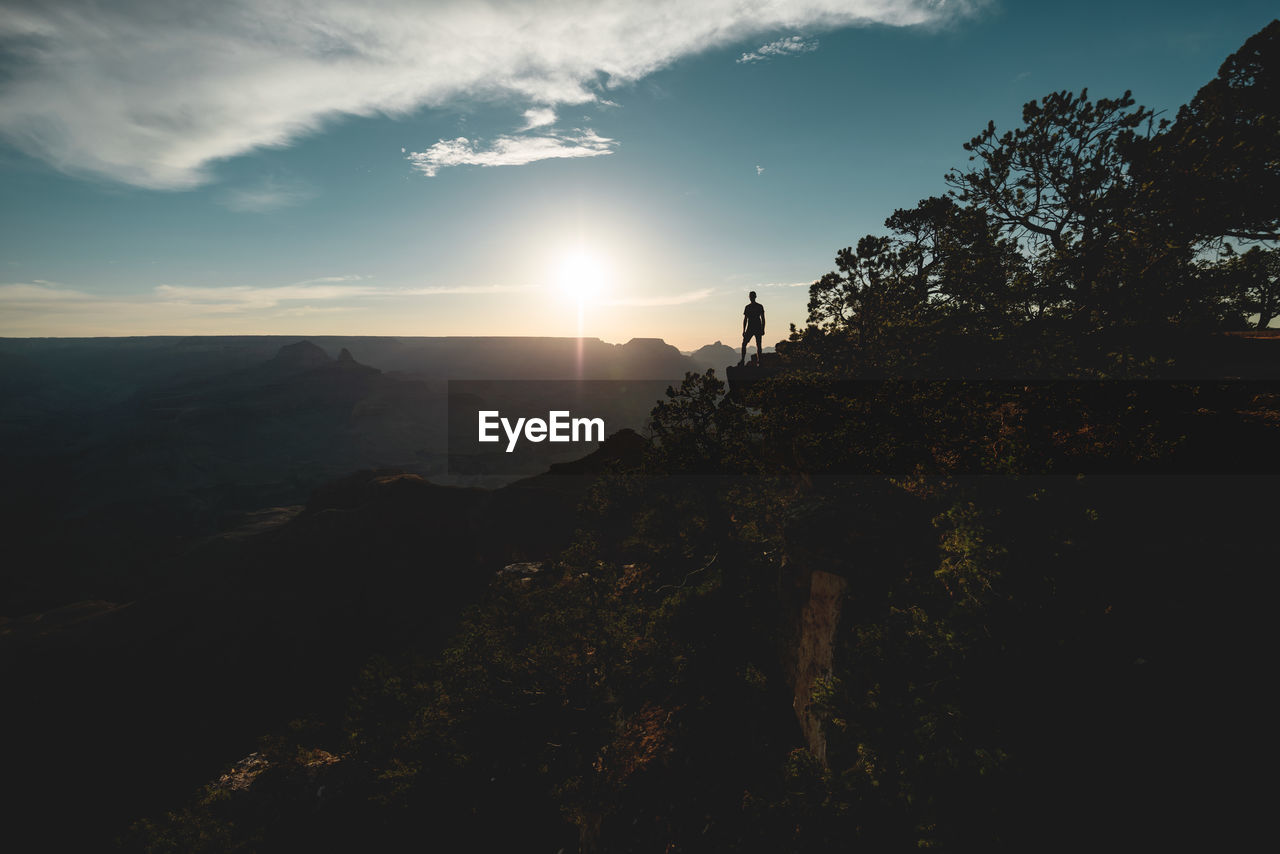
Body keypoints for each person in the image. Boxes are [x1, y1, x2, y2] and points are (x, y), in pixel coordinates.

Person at [739, 291, 765, 366]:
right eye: (751, 296)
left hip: (754, 327)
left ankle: (758, 361)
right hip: (753, 327)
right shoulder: (750, 307)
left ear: (754, 297)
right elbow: (745, 319)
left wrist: (763, 329)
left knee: (756, 344)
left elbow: (763, 318)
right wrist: (743, 330)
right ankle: (745, 360)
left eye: (752, 296)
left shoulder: (756, 306)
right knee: (753, 344)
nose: (751, 298)